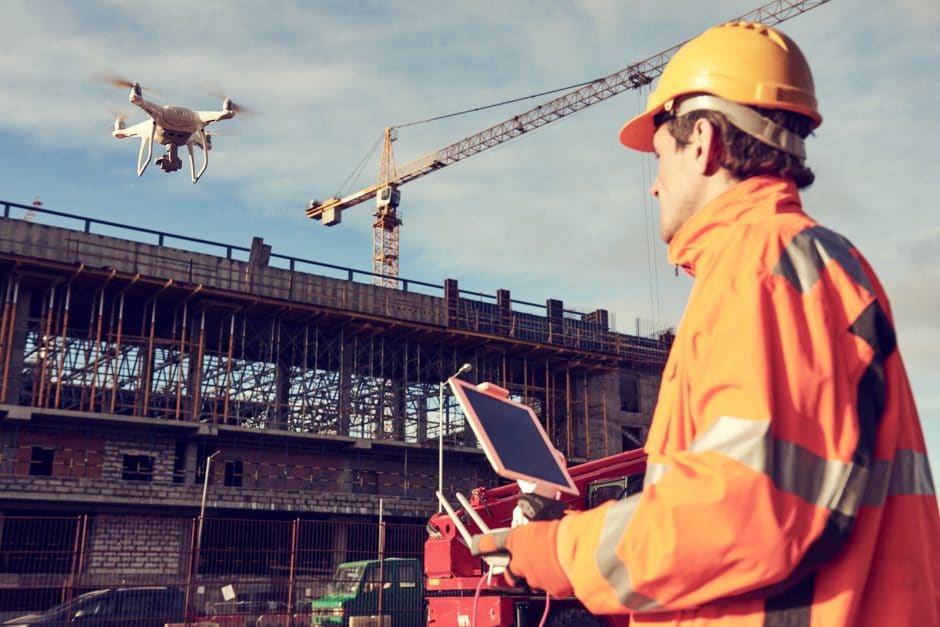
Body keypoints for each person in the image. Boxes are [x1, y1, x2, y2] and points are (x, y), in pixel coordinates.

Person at [473, 21, 940, 626]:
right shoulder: (793, 265)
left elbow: (744, 509)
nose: (655, 187)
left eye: (659, 156)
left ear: (703, 143)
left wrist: (561, 549)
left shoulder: (762, 269)